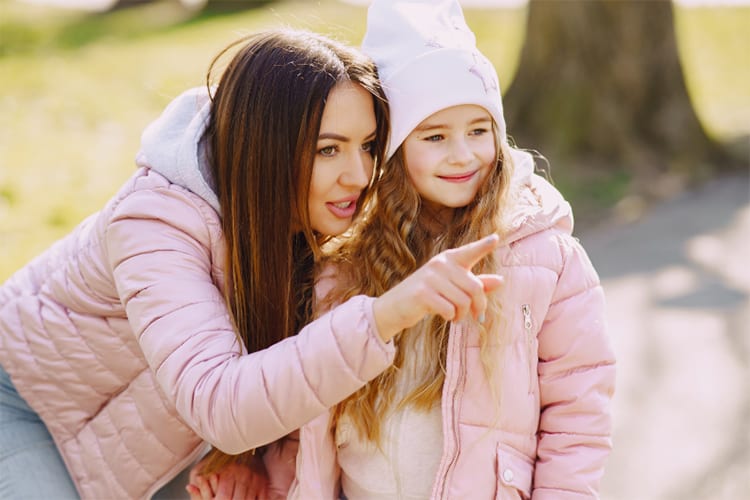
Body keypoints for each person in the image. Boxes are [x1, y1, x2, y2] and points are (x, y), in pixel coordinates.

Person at [0, 26, 504, 499]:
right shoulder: (154, 226)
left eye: (368, 146)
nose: (358, 175)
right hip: (23, 400)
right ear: (267, 147)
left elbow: (284, 358)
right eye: (329, 149)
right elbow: (219, 397)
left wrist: (250, 457)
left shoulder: (316, 211)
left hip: (144, 425)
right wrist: (385, 316)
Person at [190, 0, 616, 498]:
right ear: (393, 149)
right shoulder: (342, 268)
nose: (463, 154)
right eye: (435, 136)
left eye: (479, 131)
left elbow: (579, 415)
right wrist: (267, 482)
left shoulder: (547, 259)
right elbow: (310, 422)